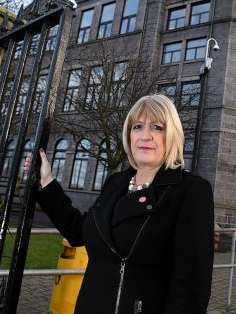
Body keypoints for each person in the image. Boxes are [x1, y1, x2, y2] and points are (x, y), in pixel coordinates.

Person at [25, 94, 214, 314]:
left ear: (172, 135)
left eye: (157, 127)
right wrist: (47, 182)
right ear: (128, 134)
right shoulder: (116, 182)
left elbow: (192, 288)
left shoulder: (190, 191)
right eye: (138, 127)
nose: (145, 136)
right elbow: (80, 232)